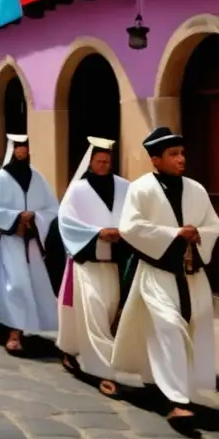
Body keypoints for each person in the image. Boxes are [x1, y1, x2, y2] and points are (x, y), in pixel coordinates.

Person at [111, 127, 219, 426]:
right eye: (173, 154)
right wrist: (174, 234)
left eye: (182, 153)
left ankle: (165, 383)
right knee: (169, 328)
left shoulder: (196, 189)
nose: (180, 159)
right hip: (156, 275)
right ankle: (177, 401)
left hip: (192, 276)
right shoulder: (141, 189)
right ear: (155, 160)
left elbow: (215, 225)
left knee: (193, 328)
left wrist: (200, 234)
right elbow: (130, 228)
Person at [56, 137, 131, 397]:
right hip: (88, 262)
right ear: (90, 162)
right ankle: (103, 371)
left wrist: (122, 233)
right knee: (95, 313)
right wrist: (98, 232)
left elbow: (134, 216)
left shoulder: (124, 187)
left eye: (107, 162)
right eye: (99, 161)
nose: (104, 166)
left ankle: (73, 349)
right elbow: (66, 221)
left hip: (113, 263)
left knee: (108, 312)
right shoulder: (78, 189)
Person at [0, 134, 59, 354]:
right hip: (9, 241)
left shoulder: (38, 178)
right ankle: (13, 332)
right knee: (15, 285)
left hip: (31, 242)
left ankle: (28, 328)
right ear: (12, 151)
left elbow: (52, 207)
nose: (22, 152)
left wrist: (33, 216)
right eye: (18, 148)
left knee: (35, 285)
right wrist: (16, 217)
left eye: (25, 148)